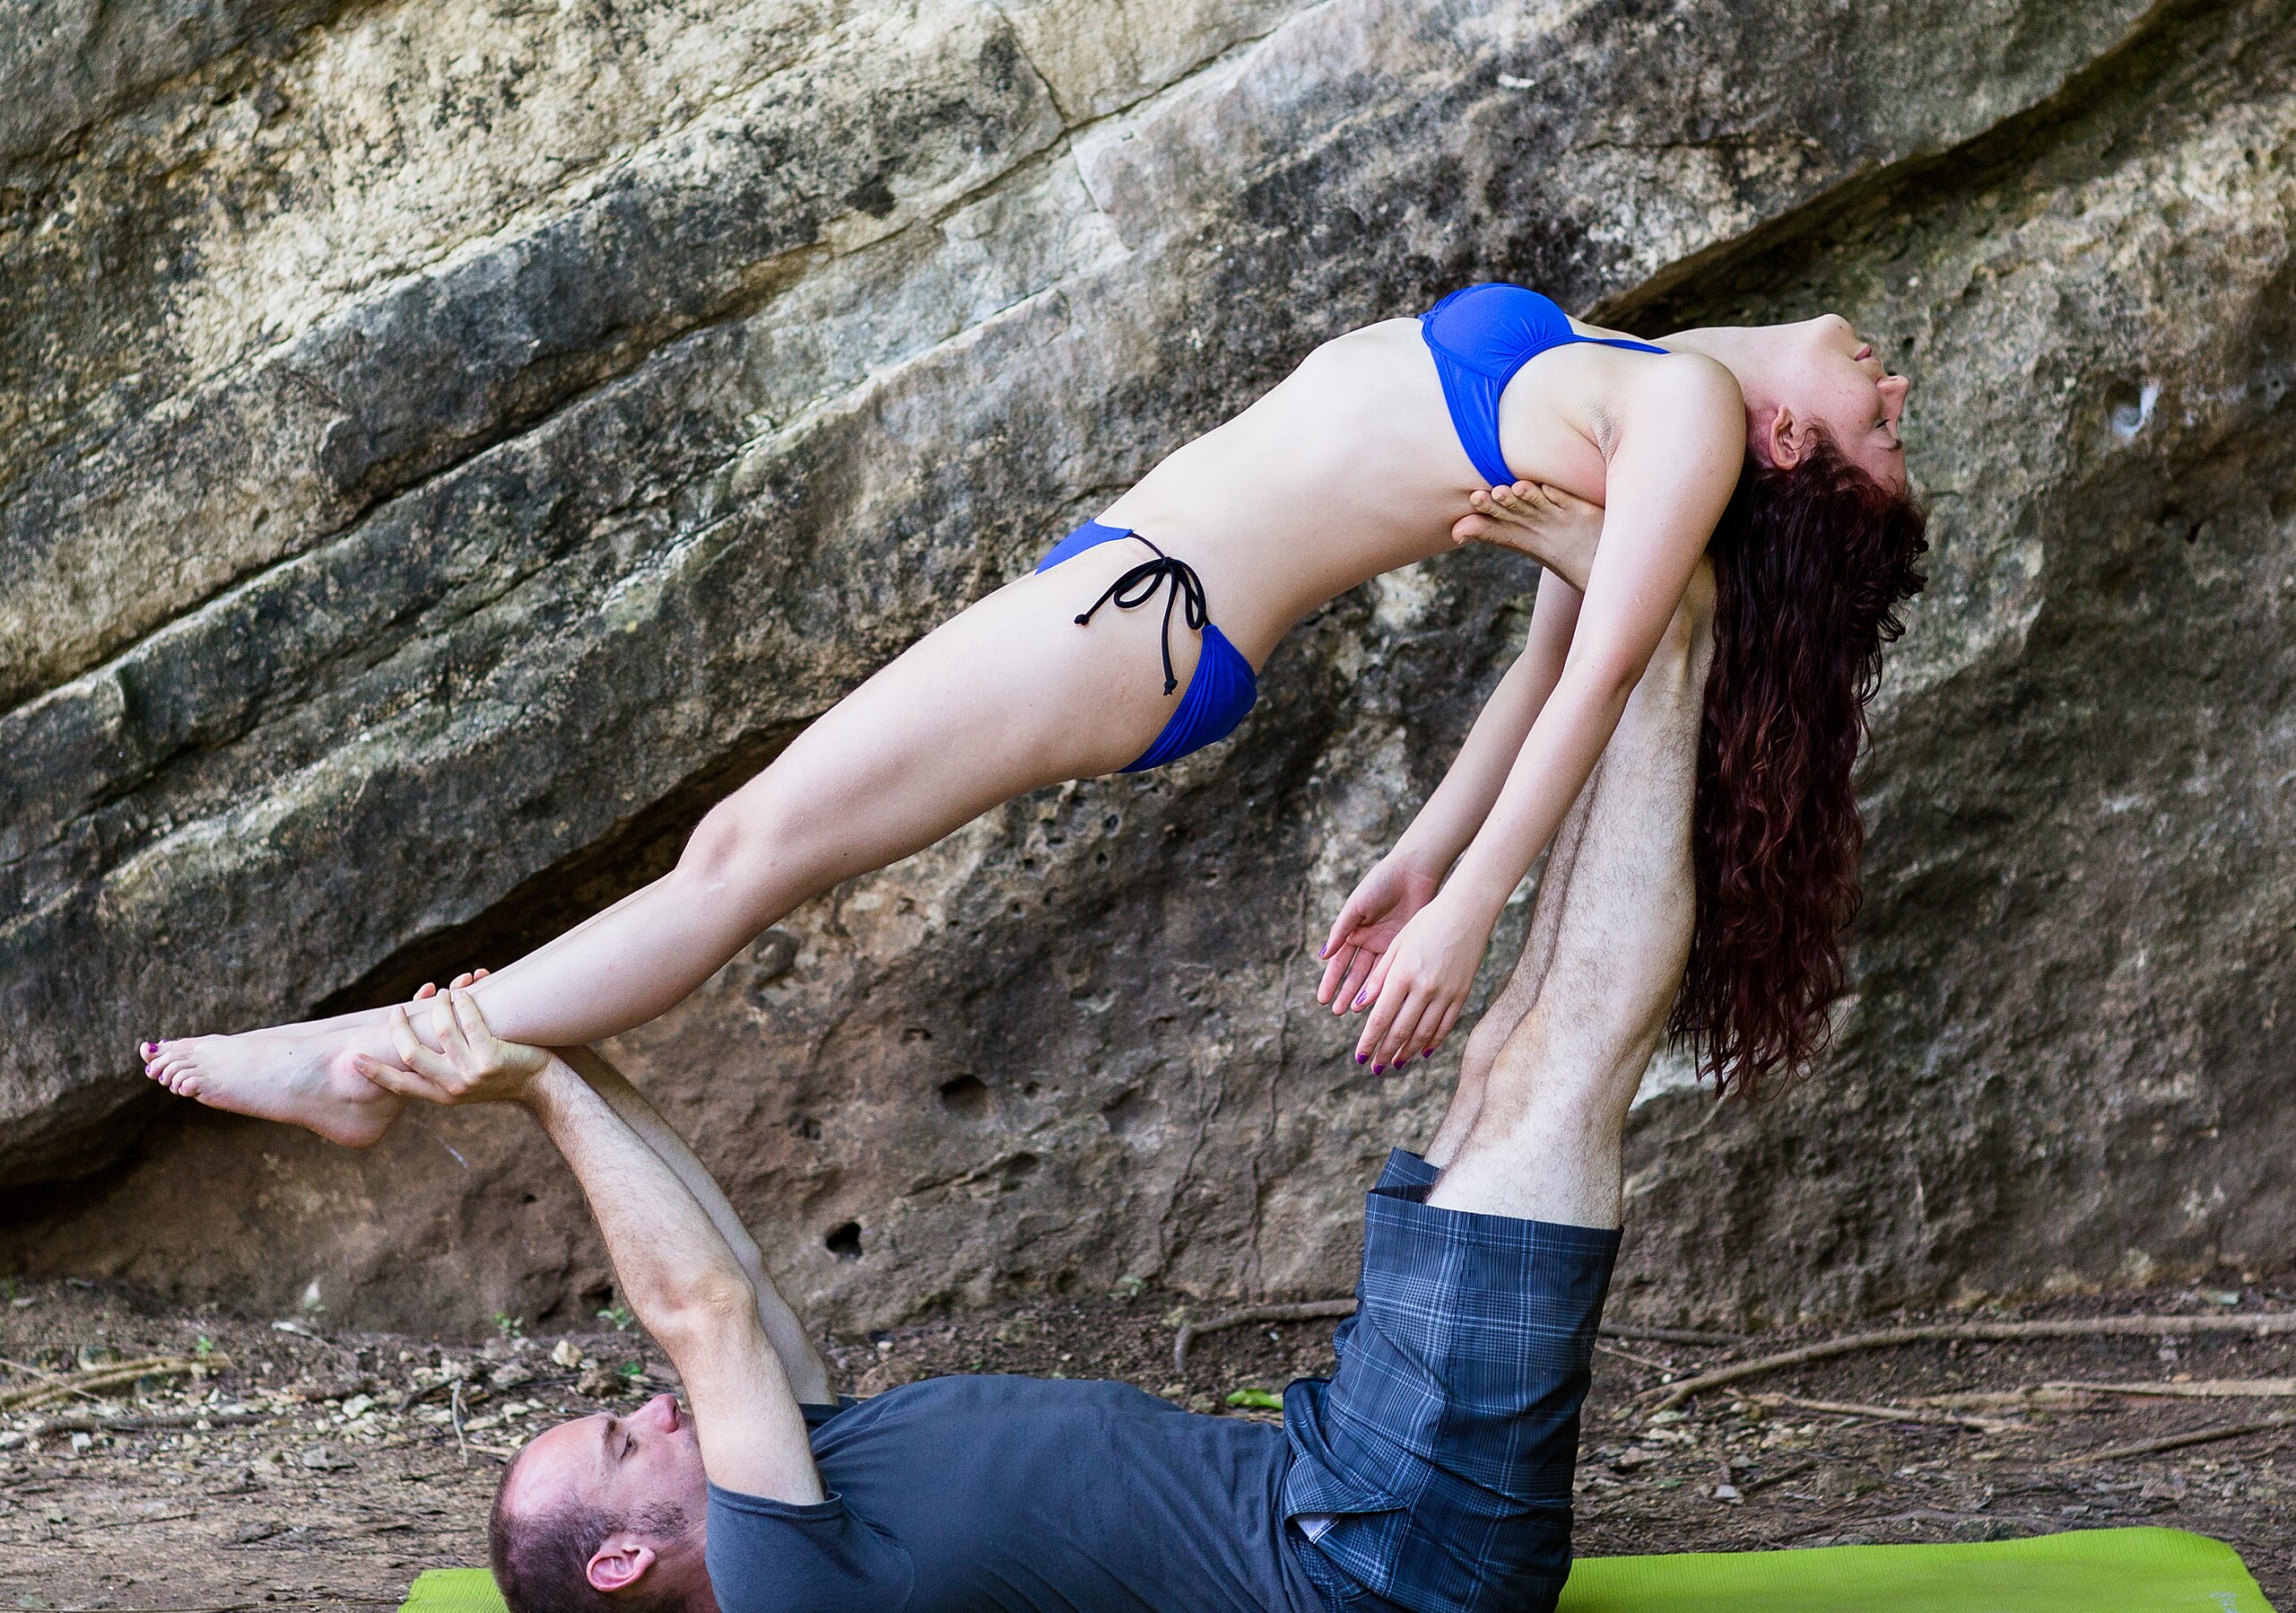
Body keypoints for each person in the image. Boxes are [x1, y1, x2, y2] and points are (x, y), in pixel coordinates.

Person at [347, 531, 1715, 1613]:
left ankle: (1635, 616)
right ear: (627, 1551)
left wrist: (552, 1062)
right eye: (619, 1438)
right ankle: (1681, 618)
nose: (650, 1409)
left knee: (1508, 1059)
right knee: (1558, 1064)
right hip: (1386, 1550)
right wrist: (528, 1072)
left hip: (1351, 1478)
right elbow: (696, 1309)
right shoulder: (783, 1589)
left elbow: (739, 1277)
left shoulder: (809, 1481)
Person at [144, 282, 1921, 1147]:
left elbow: (1601, 674)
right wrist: (1413, 851)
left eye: (1879, 432)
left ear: (1782, 449)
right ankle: (390, 1047)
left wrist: (1467, 908)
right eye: (1892, 410)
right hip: (1133, 596)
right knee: (739, 851)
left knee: (736, 854)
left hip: (1140, 620)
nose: (1889, 384)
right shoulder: (1648, 385)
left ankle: (370, 1057)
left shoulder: (1684, 415)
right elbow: (1540, 657)